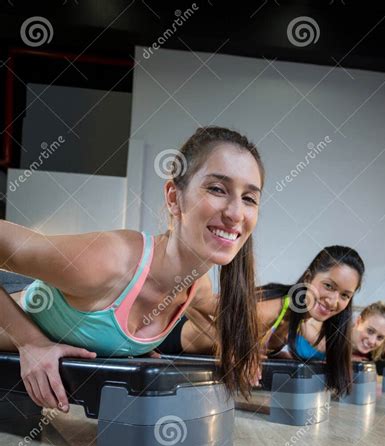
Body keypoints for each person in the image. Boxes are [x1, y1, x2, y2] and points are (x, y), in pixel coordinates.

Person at [0, 126, 265, 408]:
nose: (236, 213)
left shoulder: (196, 286)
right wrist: (30, 342)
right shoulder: (110, 262)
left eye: (249, 198)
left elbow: (213, 324)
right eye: (216, 189)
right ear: (174, 198)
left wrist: (237, 354)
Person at [160, 246, 365, 397]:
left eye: (345, 295)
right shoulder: (273, 308)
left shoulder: (301, 318)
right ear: (309, 278)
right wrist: (232, 347)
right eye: (328, 286)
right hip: (169, 340)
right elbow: (192, 301)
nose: (333, 301)